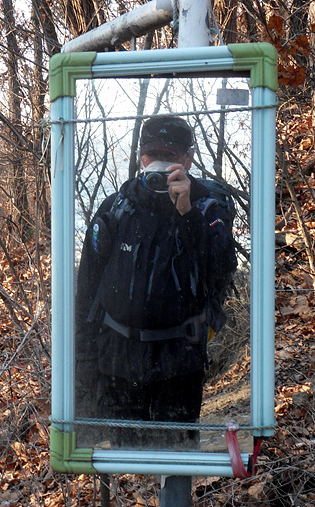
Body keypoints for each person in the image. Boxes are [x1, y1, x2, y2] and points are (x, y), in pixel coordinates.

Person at [74, 115, 237, 506]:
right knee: (113, 455)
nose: (160, 166)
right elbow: (86, 289)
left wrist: (187, 215)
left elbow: (221, 269)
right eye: (152, 156)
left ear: (188, 160)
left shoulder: (208, 207)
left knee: (175, 460)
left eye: (171, 157)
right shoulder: (117, 208)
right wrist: (83, 359)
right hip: (116, 360)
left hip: (178, 365)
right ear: (140, 158)